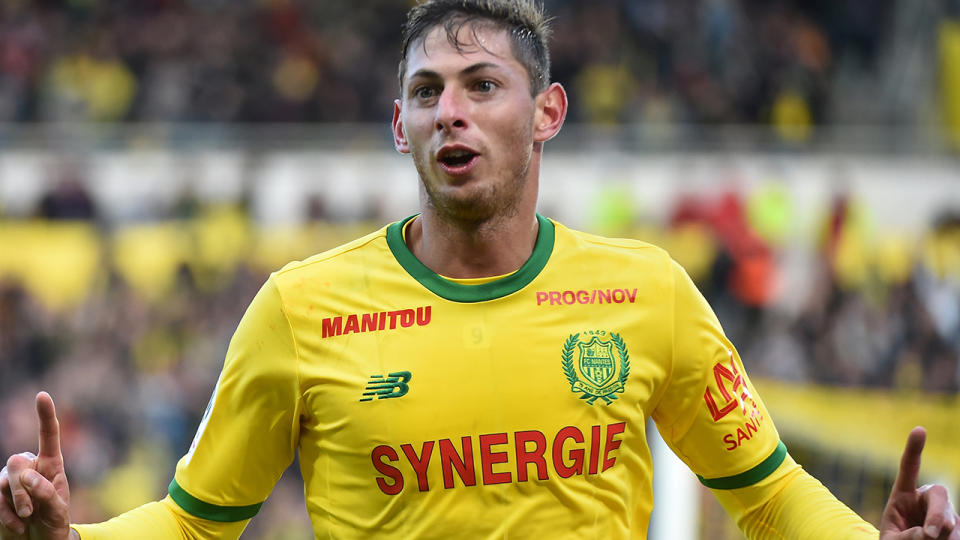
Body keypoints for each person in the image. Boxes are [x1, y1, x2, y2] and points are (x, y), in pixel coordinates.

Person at [1, 1, 958, 538]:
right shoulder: (300, 308)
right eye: (427, 92)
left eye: (482, 86)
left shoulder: (648, 293)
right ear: (398, 126)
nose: (450, 111)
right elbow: (192, 523)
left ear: (547, 114)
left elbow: (768, 491)